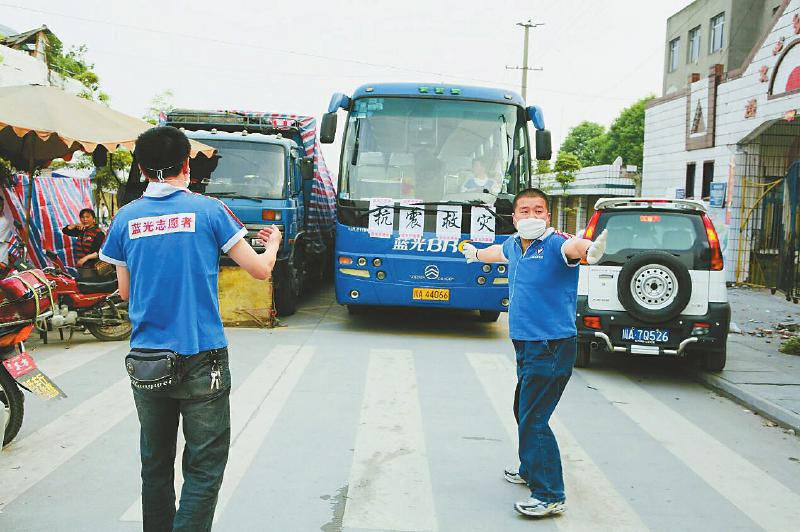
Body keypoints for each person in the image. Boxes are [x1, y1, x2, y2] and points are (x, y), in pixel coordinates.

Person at [100, 126, 281, 532]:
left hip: (147, 359)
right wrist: (273, 244)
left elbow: (126, 293)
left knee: (155, 464)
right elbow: (259, 270)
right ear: (187, 164)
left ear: (142, 168)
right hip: (203, 358)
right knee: (204, 466)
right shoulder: (209, 211)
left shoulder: (126, 219)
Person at [461, 188, 608, 518]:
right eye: (524, 211)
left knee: (535, 420)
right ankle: (530, 469)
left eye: (538, 210)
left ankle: (550, 493)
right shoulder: (515, 245)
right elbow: (496, 252)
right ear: (514, 217)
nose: (531, 216)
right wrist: (473, 252)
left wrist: (590, 249)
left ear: (548, 216)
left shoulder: (556, 244)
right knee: (522, 409)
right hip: (526, 346)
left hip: (552, 346)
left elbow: (576, 247)